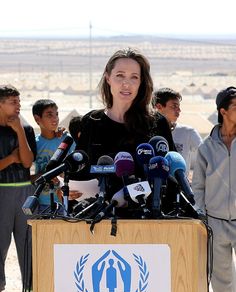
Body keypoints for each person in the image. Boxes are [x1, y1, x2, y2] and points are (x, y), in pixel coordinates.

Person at [74, 48, 176, 216]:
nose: (126, 84)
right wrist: (71, 189)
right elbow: (82, 173)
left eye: (134, 77)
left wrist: (127, 194)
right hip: (99, 222)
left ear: (142, 82)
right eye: (120, 75)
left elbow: (168, 177)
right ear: (108, 78)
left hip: (148, 222)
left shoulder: (157, 124)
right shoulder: (91, 122)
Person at [192, 86, 236, 292]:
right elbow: (198, 186)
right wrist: (201, 214)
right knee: (222, 276)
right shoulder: (206, 148)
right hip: (215, 222)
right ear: (223, 111)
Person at [0, 85, 36, 292]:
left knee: (28, 246)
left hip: (24, 193)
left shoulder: (25, 128)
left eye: (19, 101)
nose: (18, 105)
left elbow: (27, 162)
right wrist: (10, 158)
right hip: (1, 192)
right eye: (13, 101)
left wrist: (20, 133)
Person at [32, 99, 75, 214]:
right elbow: (26, 176)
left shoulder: (66, 140)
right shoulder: (34, 143)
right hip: (40, 204)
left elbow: (77, 166)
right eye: (49, 115)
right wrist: (44, 176)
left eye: (56, 114)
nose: (55, 118)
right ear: (37, 119)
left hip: (64, 202)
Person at [152, 87, 202, 177]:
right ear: (159, 107)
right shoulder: (146, 133)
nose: (179, 110)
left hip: (181, 188)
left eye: (179, 107)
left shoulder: (188, 132)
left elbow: (206, 156)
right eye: (174, 106)